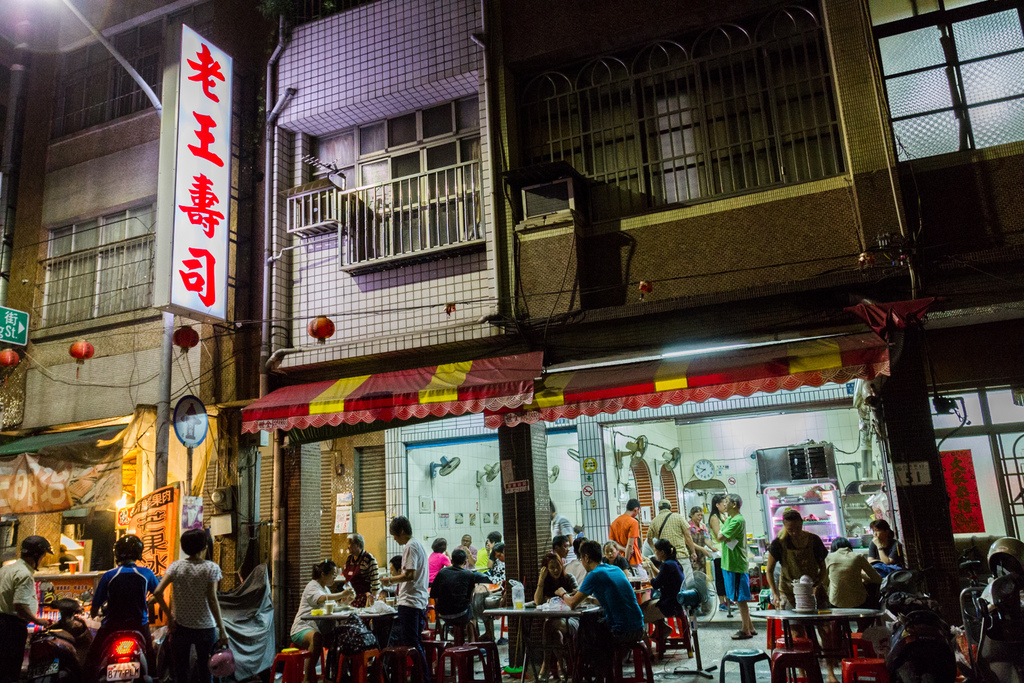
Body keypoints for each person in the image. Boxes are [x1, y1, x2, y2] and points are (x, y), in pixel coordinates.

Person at [151, 529, 229, 683]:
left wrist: (169, 618)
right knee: (207, 671)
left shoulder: (176, 566)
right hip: (205, 628)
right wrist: (222, 629)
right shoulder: (211, 568)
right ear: (204, 547)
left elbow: (158, 592)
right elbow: (212, 599)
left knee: (180, 672)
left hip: (180, 627)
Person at [85, 535, 159, 678]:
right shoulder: (146, 573)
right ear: (139, 553)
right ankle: (154, 678)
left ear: (117, 553)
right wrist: (149, 602)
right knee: (150, 655)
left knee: (92, 657)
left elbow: (94, 609)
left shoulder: (109, 575)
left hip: (112, 627)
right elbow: (158, 593)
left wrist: (94, 613)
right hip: (139, 626)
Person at [566, 540, 645, 666]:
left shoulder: (594, 575)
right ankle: (602, 671)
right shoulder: (616, 569)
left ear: (586, 558)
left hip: (621, 632)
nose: (581, 561)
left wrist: (562, 594)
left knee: (586, 630)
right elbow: (608, 599)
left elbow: (571, 604)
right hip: (639, 627)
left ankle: (594, 671)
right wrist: (588, 598)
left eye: (581, 558)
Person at [379, 516, 431, 683]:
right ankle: (421, 677)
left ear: (401, 531)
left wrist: (390, 580)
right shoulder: (418, 545)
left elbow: (410, 574)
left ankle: (423, 677)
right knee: (414, 642)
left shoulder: (410, 546)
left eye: (394, 535)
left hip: (410, 602)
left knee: (411, 643)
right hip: (418, 601)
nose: (394, 538)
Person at [287, 559, 355, 682]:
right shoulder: (312, 586)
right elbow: (321, 599)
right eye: (332, 574)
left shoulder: (326, 589)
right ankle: (307, 679)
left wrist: (348, 600)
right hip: (302, 628)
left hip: (319, 628)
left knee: (340, 639)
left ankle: (336, 677)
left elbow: (333, 607)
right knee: (317, 638)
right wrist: (341, 594)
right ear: (323, 574)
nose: (334, 577)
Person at [0, 536, 53, 682]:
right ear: (36, 555)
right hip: (12, 628)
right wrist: (38, 621)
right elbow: (20, 607)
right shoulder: (24, 574)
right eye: (43, 556)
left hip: (3, 624)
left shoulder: (6, 569)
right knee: (10, 671)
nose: (43, 559)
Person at [766, 510, 828, 610]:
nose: (794, 532)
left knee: (820, 622)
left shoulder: (814, 540)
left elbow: (823, 567)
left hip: (812, 589)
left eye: (798, 528)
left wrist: (817, 585)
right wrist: (775, 594)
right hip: (788, 592)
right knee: (794, 624)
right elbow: (769, 570)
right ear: (784, 526)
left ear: (802, 523)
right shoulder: (779, 543)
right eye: (790, 529)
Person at [716, 494, 755, 640]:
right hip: (729, 563)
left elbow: (720, 536)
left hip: (736, 564)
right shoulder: (730, 519)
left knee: (740, 599)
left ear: (734, 504)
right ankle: (750, 626)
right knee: (738, 598)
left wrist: (722, 534)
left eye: (726, 502)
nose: (724, 504)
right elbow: (721, 534)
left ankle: (745, 630)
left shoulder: (738, 520)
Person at [534, 552, 578, 678]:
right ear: (546, 569)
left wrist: (565, 595)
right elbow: (537, 601)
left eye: (557, 566)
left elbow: (577, 595)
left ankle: (546, 665)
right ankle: (560, 664)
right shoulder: (546, 583)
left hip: (571, 619)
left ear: (562, 565)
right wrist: (541, 580)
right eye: (551, 567)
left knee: (549, 625)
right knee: (554, 632)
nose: (555, 570)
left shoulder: (569, 578)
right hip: (554, 621)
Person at [430, 549, 491, 641]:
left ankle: (454, 640)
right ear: (465, 562)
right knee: (473, 612)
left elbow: (433, 594)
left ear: (451, 561)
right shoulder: (469, 574)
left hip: (443, 614)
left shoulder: (442, 573)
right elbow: (469, 596)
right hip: (461, 614)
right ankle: (472, 643)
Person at [641, 539, 685, 661]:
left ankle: (647, 652)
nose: (654, 553)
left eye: (656, 551)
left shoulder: (666, 565)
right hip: (677, 603)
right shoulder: (674, 563)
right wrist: (651, 566)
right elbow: (661, 577)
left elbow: (655, 584)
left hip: (669, 605)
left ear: (662, 552)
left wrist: (648, 571)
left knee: (638, 614)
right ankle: (664, 628)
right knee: (645, 605)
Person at [646, 500, 698, 587]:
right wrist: (693, 551)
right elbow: (688, 536)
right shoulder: (678, 517)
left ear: (659, 509)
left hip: (667, 560)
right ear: (670, 508)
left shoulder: (654, 521)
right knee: (688, 583)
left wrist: (655, 550)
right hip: (682, 555)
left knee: (671, 584)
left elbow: (649, 540)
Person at [342, 533, 380, 607]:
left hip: (364, 599)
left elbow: (375, 583)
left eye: (350, 544)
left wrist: (372, 601)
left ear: (358, 544)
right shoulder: (349, 559)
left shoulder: (369, 559)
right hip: (350, 598)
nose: (348, 546)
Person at [707, 494, 730, 614]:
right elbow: (718, 535)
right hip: (719, 552)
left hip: (725, 551)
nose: (726, 505)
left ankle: (728, 599)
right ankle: (722, 602)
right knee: (720, 577)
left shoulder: (722, 516)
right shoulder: (714, 518)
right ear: (717, 505)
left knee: (727, 576)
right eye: (723, 502)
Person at [610, 499, 644, 568]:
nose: (638, 513)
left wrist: (623, 549)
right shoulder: (633, 522)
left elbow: (613, 542)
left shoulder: (614, 522)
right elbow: (630, 545)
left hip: (618, 559)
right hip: (632, 560)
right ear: (636, 509)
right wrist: (626, 562)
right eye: (638, 511)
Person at [688, 506, 714, 575]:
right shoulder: (687, 526)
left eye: (701, 515)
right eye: (698, 515)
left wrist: (712, 547)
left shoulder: (703, 527)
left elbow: (706, 539)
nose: (700, 517)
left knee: (702, 575)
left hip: (701, 555)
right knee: (693, 575)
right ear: (691, 515)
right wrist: (702, 549)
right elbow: (688, 541)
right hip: (691, 554)